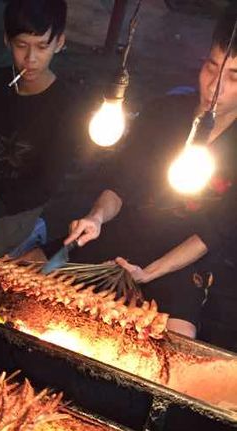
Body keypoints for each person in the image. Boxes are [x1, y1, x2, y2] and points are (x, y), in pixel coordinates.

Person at [66, 11, 237, 342]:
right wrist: (96, 217)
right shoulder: (163, 112)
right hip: (124, 234)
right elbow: (121, 183)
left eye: (233, 76)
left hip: (182, 259)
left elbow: (213, 232)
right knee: (27, 272)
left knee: (175, 346)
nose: (214, 86)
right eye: (211, 68)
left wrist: (152, 272)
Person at [0, 0, 78, 257]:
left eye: (42, 47)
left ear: (59, 43)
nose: (30, 59)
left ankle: (32, 231)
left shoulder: (68, 103)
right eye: (22, 46)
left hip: (22, 203)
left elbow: (46, 184)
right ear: (7, 40)